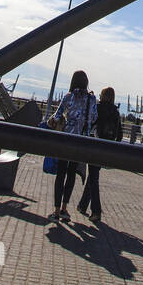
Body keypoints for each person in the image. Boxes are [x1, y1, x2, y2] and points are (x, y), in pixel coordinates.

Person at [48, 70, 96, 222]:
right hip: (81, 141)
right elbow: (94, 117)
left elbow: (57, 115)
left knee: (61, 173)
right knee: (71, 174)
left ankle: (55, 210)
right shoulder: (91, 99)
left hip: (66, 139)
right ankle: (64, 208)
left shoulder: (69, 97)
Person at [77, 87, 122, 223]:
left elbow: (91, 123)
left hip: (96, 145)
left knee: (93, 179)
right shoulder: (115, 111)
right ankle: (82, 205)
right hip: (107, 148)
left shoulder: (98, 107)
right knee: (93, 175)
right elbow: (119, 134)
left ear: (103, 96)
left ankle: (96, 210)